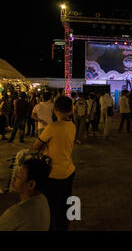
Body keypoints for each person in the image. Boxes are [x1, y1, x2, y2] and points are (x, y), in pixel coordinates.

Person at [33, 96, 76, 231]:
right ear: (71, 110)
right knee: (65, 204)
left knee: (50, 207)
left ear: (55, 109)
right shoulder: (72, 126)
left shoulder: (52, 127)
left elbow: (36, 146)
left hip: (53, 173)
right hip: (69, 170)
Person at [0, 158, 51, 231]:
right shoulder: (43, 200)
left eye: (18, 177)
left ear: (31, 184)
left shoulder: (16, 213)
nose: (13, 178)